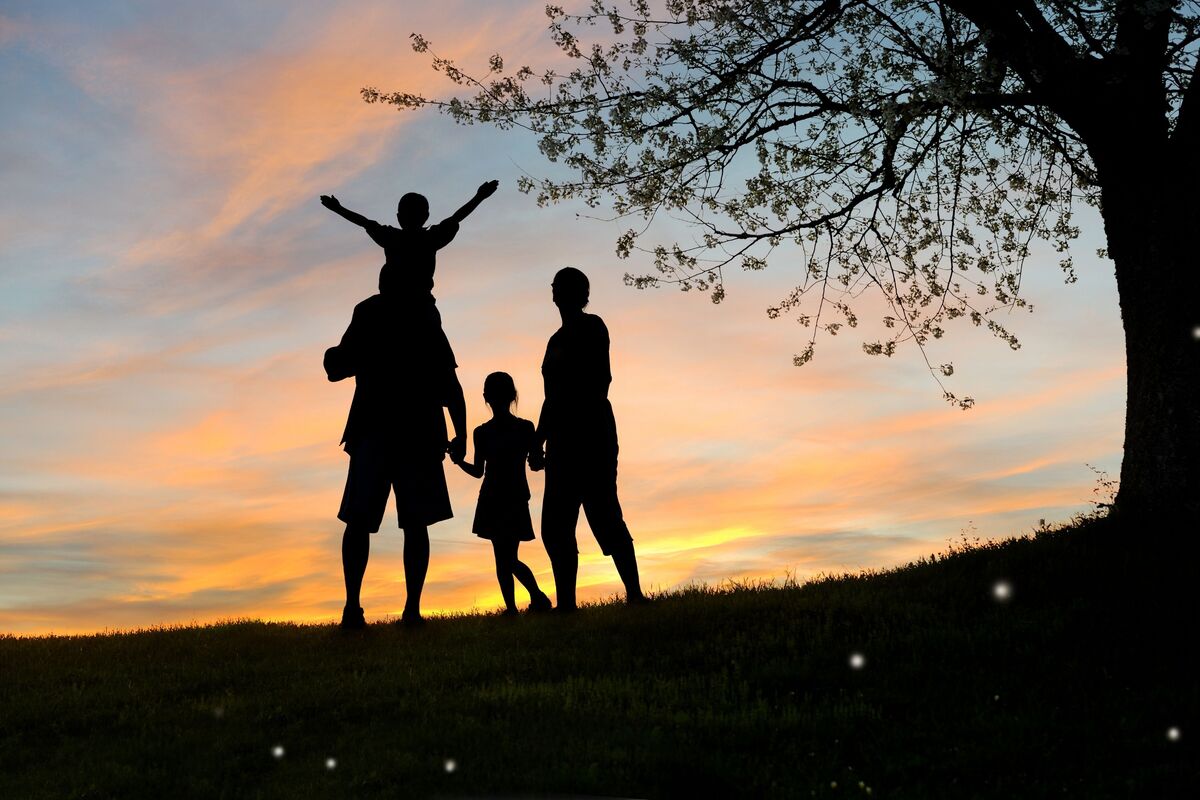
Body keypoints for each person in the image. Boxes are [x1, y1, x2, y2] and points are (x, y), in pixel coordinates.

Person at [324, 288, 468, 630]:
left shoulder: (372, 311)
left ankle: (356, 608)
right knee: (409, 523)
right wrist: (460, 433)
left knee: (362, 520)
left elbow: (337, 366)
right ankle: (408, 610)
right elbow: (450, 383)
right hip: (413, 430)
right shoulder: (422, 313)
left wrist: (334, 357)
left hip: (379, 429)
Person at [535, 267, 648, 611]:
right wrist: (539, 439)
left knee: (604, 513)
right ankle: (566, 604)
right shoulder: (554, 341)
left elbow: (600, 380)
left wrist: (569, 419)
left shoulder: (593, 326)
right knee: (556, 525)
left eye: (562, 287)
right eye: (555, 286)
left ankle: (635, 594)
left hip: (591, 432)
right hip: (560, 439)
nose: (556, 292)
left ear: (579, 294)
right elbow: (549, 396)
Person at [319, 181, 498, 373]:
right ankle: (346, 357)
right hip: (398, 302)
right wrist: (479, 197)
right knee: (363, 310)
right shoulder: (416, 237)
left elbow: (364, 222)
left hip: (415, 303)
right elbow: (456, 217)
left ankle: (346, 356)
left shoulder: (410, 237)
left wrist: (338, 209)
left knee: (365, 311)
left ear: (400, 217)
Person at [451, 372, 553, 616]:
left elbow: (477, 471)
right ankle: (523, 603)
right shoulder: (524, 428)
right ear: (513, 395)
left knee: (504, 558)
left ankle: (528, 601)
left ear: (486, 397)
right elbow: (537, 462)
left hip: (497, 498)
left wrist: (457, 462)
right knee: (507, 557)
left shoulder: (483, 432)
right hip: (511, 496)